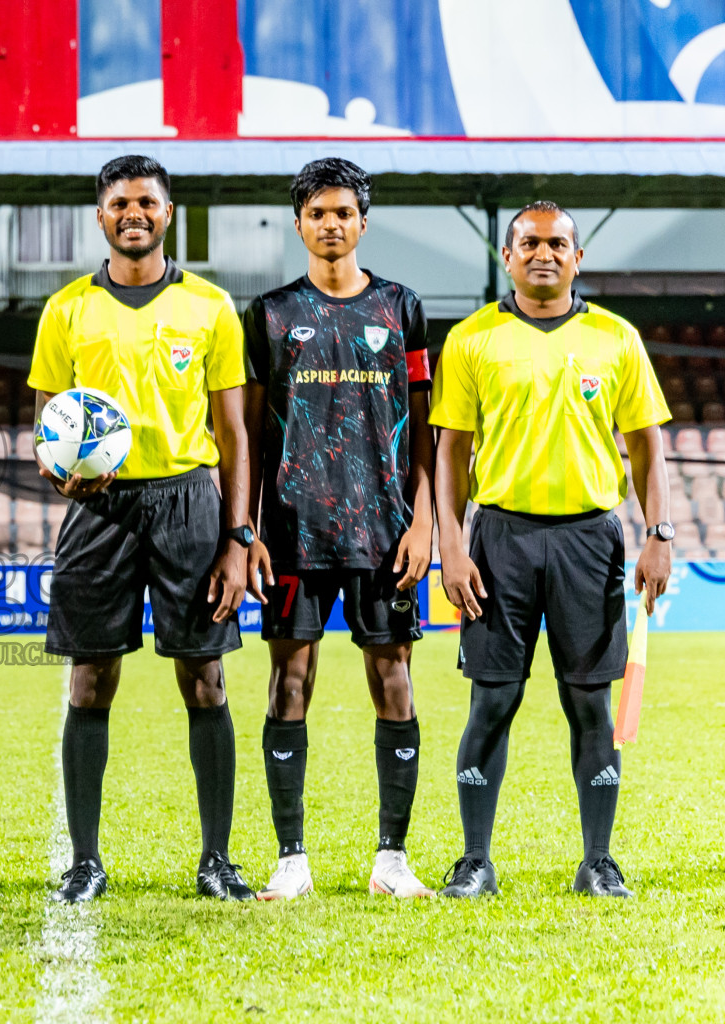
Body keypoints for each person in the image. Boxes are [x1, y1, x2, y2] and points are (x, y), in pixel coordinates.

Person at [28, 155, 254, 903]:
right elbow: (46, 427)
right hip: (100, 508)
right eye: (120, 201)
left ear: (167, 212)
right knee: (90, 679)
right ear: (100, 215)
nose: (134, 212)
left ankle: (216, 859)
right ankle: (86, 861)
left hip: (189, 501)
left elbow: (235, 433)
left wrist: (239, 537)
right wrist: (61, 470)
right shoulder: (66, 310)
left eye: (147, 201)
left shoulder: (210, 307)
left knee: (207, 679)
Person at [434, 200, 672, 899]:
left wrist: (658, 535)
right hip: (500, 538)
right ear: (506, 258)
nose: (544, 253)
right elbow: (451, 452)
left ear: (577, 257)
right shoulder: (473, 339)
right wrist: (452, 542)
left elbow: (647, 451)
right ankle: (475, 861)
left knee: (590, 706)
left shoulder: (617, 339)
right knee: (493, 701)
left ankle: (598, 861)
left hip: (589, 541)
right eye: (529, 243)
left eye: (558, 244)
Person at [242, 158, 436, 901]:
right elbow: (255, 432)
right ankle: (291, 861)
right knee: (290, 680)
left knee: (393, 678)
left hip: (385, 533)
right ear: (299, 223)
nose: (331, 224)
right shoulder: (268, 314)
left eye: (343, 212)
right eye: (317, 213)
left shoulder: (401, 307)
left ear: (363, 220)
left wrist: (421, 521)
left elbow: (425, 426)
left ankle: (393, 860)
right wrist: (251, 529)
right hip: (293, 531)